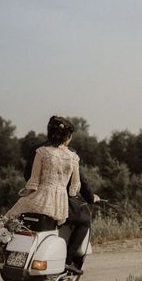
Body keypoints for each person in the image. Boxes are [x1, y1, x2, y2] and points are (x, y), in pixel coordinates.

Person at [7, 116, 98, 272]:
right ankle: (68, 260)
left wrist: (28, 194)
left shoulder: (38, 150)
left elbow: (30, 177)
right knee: (84, 219)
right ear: (68, 137)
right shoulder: (72, 155)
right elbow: (78, 184)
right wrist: (90, 197)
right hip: (59, 201)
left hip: (36, 197)